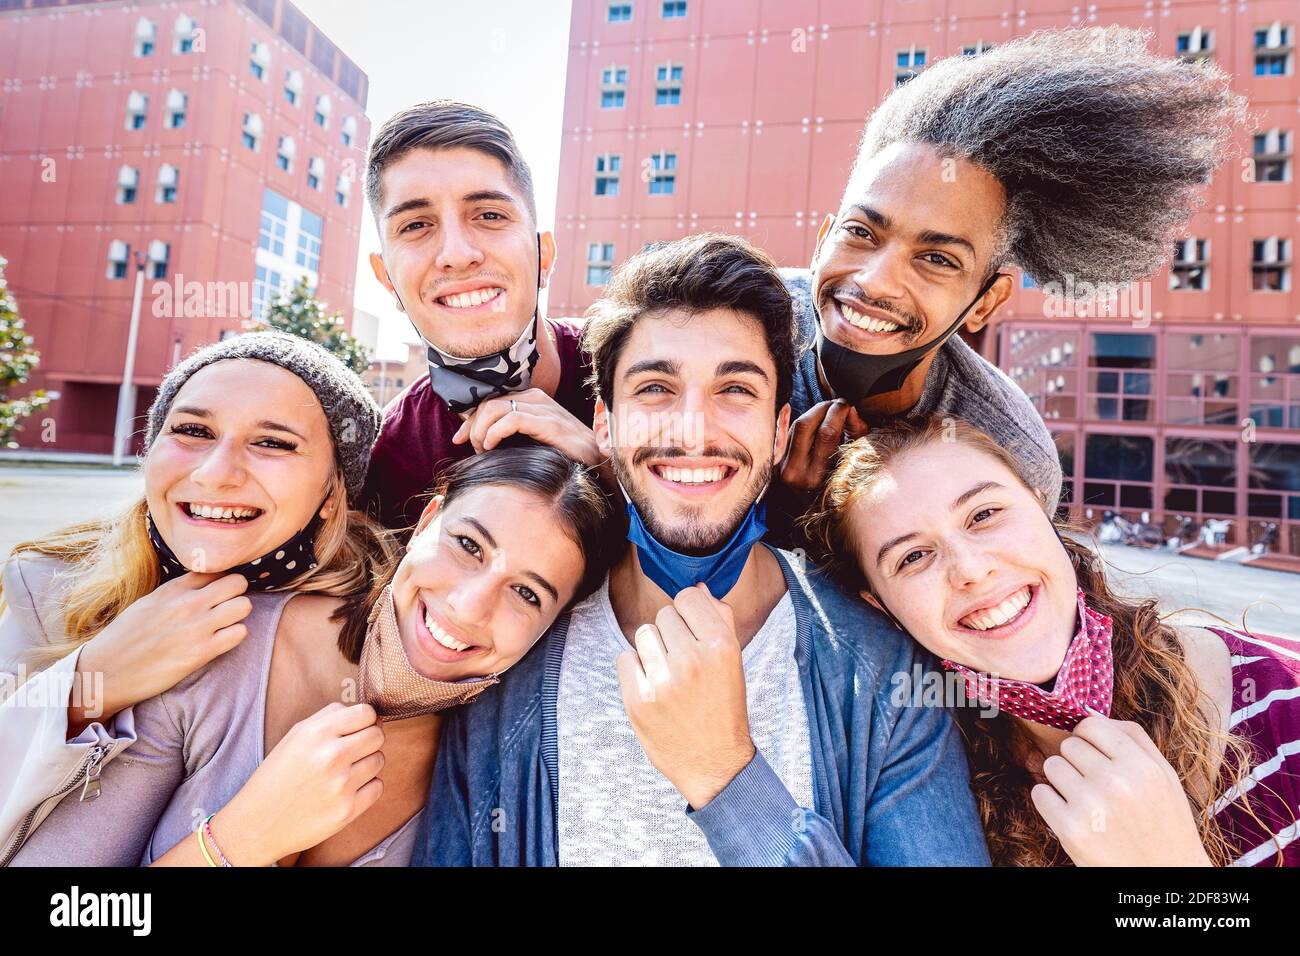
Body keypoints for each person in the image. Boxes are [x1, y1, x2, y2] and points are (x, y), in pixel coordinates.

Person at [414, 233, 991, 866]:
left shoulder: (883, 676)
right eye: (656, 388)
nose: (692, 429)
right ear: (604, 425)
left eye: (736, 390)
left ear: (777, 431)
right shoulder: (508, 669)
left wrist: (727, 779)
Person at [7, 442, 613, 866]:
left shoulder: (494, 764)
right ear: (428, 517)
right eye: (467, 545)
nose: (469, 605)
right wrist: (238, 843)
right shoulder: (225, 649)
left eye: (528, 593)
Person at [776, 27, 1246, 529]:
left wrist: (805, 518)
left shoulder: (1007, 455)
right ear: (824, 237)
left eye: (937, 259)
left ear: (986, 301)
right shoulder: (732, 319)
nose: (876, 280)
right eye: (860, 232)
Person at [803, 416, 1299, 866]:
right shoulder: (919, 791)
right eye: (912, 558)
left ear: (1043, 508)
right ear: (881, 607)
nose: (973, 571)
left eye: (984, 514)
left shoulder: (1282, 699)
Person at [1, 331, 389, 863]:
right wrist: (90, 683)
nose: (214, 473)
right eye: (191, 430)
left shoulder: (361, 646)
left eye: (273, 442)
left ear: (332, 491)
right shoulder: (46, 585)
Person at [361, 100, 602, 531]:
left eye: (490, 215)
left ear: (543, 254)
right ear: (387, 279)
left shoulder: (643, 378)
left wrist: (610, 472)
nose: (456, 255)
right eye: (416, 225)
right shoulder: (383, 465)